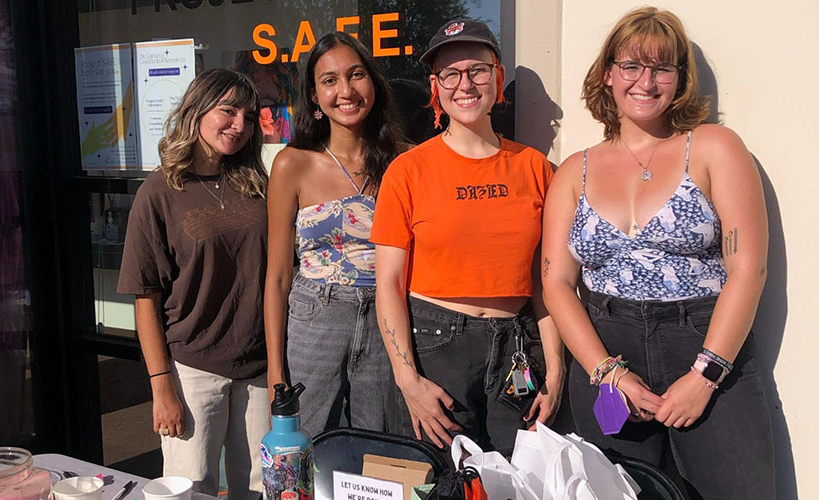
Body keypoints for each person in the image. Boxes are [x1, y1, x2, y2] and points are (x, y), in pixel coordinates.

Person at [541, 7, 775, 498]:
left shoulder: (714, 147)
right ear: (607, 75)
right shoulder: (574, 172)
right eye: (631, 66)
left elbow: (748, 268)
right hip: (606, 348)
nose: (645, 81)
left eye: (662, 68)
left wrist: (706, 374)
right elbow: (557, 283)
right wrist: (608, 372)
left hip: (707, 342)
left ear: (679, 79)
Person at [371, 19, 565, 454]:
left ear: (497, 77)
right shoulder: (408, 171)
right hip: (435, 347)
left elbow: (545, 280)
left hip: (518, 343)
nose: (466, 85)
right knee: (442, 479)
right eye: (450, 74)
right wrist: (408, 380)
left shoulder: (536, 169)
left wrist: (555, 369)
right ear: (435, 87)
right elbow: (388, 283)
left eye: (477, 70)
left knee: (517, 478)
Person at [117, 69, 270, 498]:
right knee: (192, 487)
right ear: (197, 109)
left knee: (259, 489)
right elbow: (145, 295)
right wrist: (160, 385)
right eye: (227, 111)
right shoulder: (160, 191)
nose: (239, 125)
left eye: (249, 115)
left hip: (260, 370)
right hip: (194, 371)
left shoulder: (256, 184)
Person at [264, 32, 405, 438]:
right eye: (329, 80)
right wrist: (276, 369)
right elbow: (277, 276)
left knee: (379, 451)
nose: (345, 91)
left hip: (385, 321)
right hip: (315, 317)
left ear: (373, 83)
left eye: (356, 75)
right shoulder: (293, 164)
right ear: (313, 96)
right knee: (304, 447)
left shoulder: (402, 162)